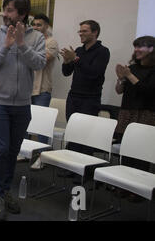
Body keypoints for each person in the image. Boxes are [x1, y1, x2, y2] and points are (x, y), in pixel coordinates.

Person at [0, 0, 46, 221]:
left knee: (12, 150)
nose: (5, 14)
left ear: (22, 14)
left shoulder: (37, 37)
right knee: (1, 149)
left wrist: (21, 44)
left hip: (22, 104)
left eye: (10, 10)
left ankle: (5, 190)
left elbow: (39, 63)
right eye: (5, 9)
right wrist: (6, 47)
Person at [60, 20, 110, 156]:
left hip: (90, 98)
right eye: (80, 31)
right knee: (73, 132)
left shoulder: (103, 51)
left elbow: (93, 73)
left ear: (95, 32)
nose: (80, 34)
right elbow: (66, 73)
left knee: (86, 135)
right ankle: (71, 165)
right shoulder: (79, 50)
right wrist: (66, 61)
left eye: (84, 31)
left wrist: (75, 59)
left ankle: (83, 170)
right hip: (74, 96)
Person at [115, 36, 155, 177]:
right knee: (126, 150)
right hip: (128, 113)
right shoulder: (132, 68)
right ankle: (124, 182)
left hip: (145, 115)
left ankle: (138, 187)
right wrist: (120, 78)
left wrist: (129, 76)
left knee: (141, 152)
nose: (137, 50)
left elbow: (149, 91)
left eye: (141, 46)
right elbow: (119, 91)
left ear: (152, 49)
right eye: (135, 46)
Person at [30, 14, 59, 169]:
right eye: (34, 25)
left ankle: (42, 156)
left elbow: (41, 60)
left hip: (42, 89)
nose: (35, 27)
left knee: (41, 125)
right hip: (26, 89)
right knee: (24, 122)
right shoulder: (29, 41)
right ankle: (24, 152)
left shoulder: (51, 42)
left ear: (47, 26)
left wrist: (26, 52)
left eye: (39, 25)